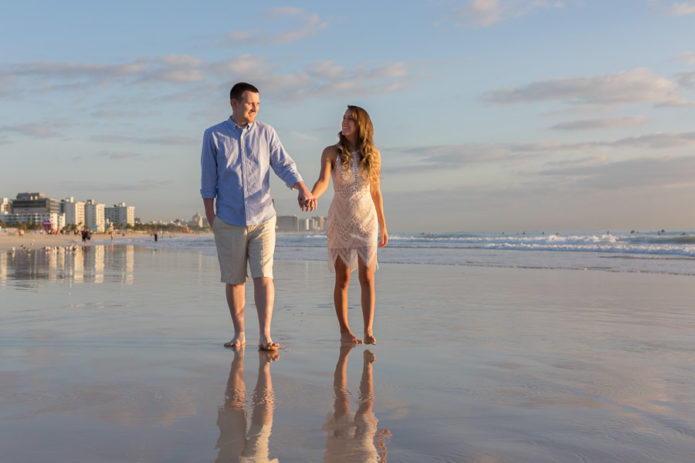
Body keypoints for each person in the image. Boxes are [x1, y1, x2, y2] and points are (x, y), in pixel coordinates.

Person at [201, 82, 315, 351]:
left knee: (264, 275)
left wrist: (302, 187)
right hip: (228, 219)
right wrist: (211, 218)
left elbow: (283, 164)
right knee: (235, 279)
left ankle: (265, 335)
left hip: (263, 216)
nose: (255, 109)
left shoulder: (267, 133)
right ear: (234, 103)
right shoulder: (213, 136)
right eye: (250, 103)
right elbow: (209, 181)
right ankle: (239, 334)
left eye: (258, 105)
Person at [310, 106, 388, 345]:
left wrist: (383, 225)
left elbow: (376, 191)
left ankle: (368, 330)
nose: (344, 122)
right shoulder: (331, 152)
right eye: (344, 118)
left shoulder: (373, 155)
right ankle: (344, 330)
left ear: (361, 124)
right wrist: (313, 195)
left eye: (350, 119)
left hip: (367, 220)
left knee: (367, 277)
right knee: (342, 279)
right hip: (340, 219)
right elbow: (323, 181)